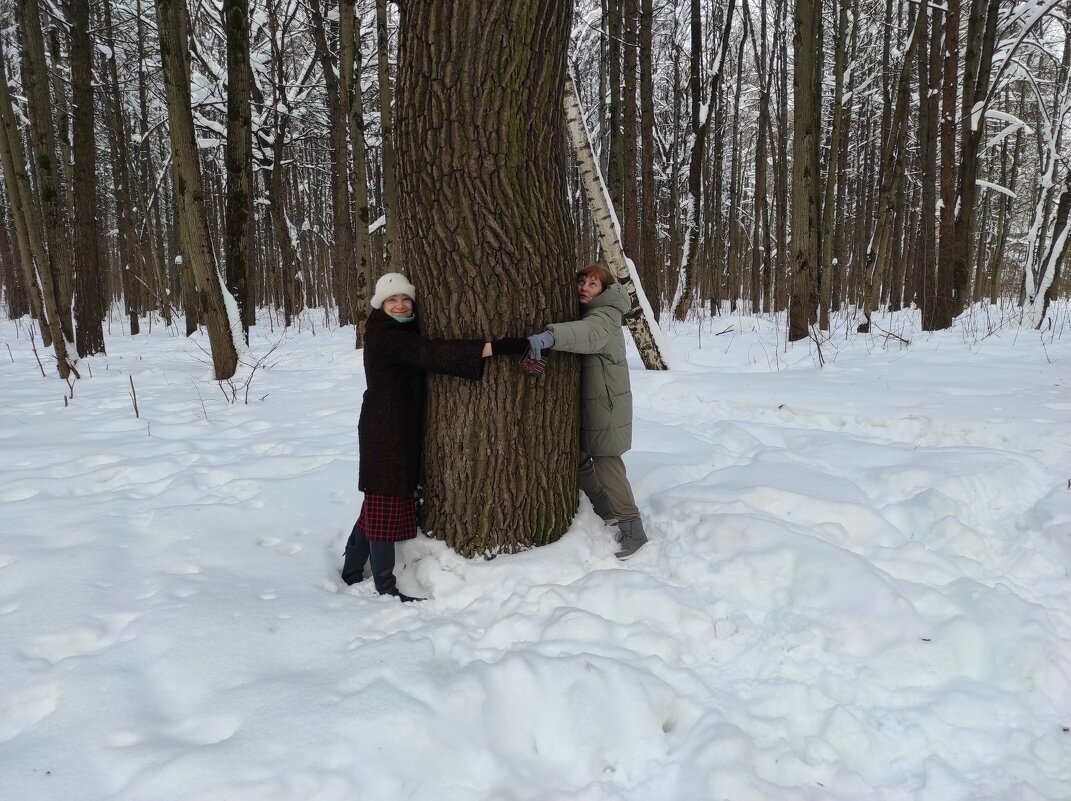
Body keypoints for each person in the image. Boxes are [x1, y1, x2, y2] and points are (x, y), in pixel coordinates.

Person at [341, 272, 527, 600]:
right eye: (392, 300)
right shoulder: (386, 334)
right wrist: (496, 347)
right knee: (382, 503)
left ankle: (351, 570)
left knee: (374, 501)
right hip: (385, 430)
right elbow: (431, 352)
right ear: (380, 305)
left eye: (405, 299)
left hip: (393, 425)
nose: (399, 305)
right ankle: (385, 587)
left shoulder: (397, 328)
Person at [525, 263, 648, 559]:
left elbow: (588, 334)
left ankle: (634, 530)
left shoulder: (604, 316)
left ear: (604, 291)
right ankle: (607, 511)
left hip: (607, 406)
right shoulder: (594, 311)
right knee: (577, 459)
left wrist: (548, 337)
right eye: (582, 281)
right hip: (594, 403)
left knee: (608, 465)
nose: (584, 287)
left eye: (593, 284)